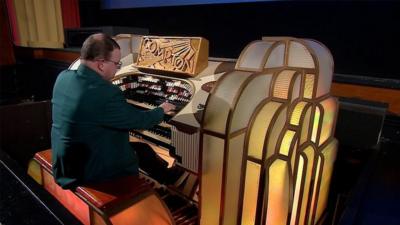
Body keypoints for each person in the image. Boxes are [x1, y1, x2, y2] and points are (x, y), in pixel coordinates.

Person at [51, 33, 182, 189]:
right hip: (89, 171)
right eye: (117, 64)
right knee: (140, 150)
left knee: (143, 149)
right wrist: (162, 109)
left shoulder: (63, 77)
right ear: (101, 64)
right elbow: (140, 122)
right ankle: (166, 183)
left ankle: (165, 180)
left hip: (66, 162)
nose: (117, 68)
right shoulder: (104, 92)